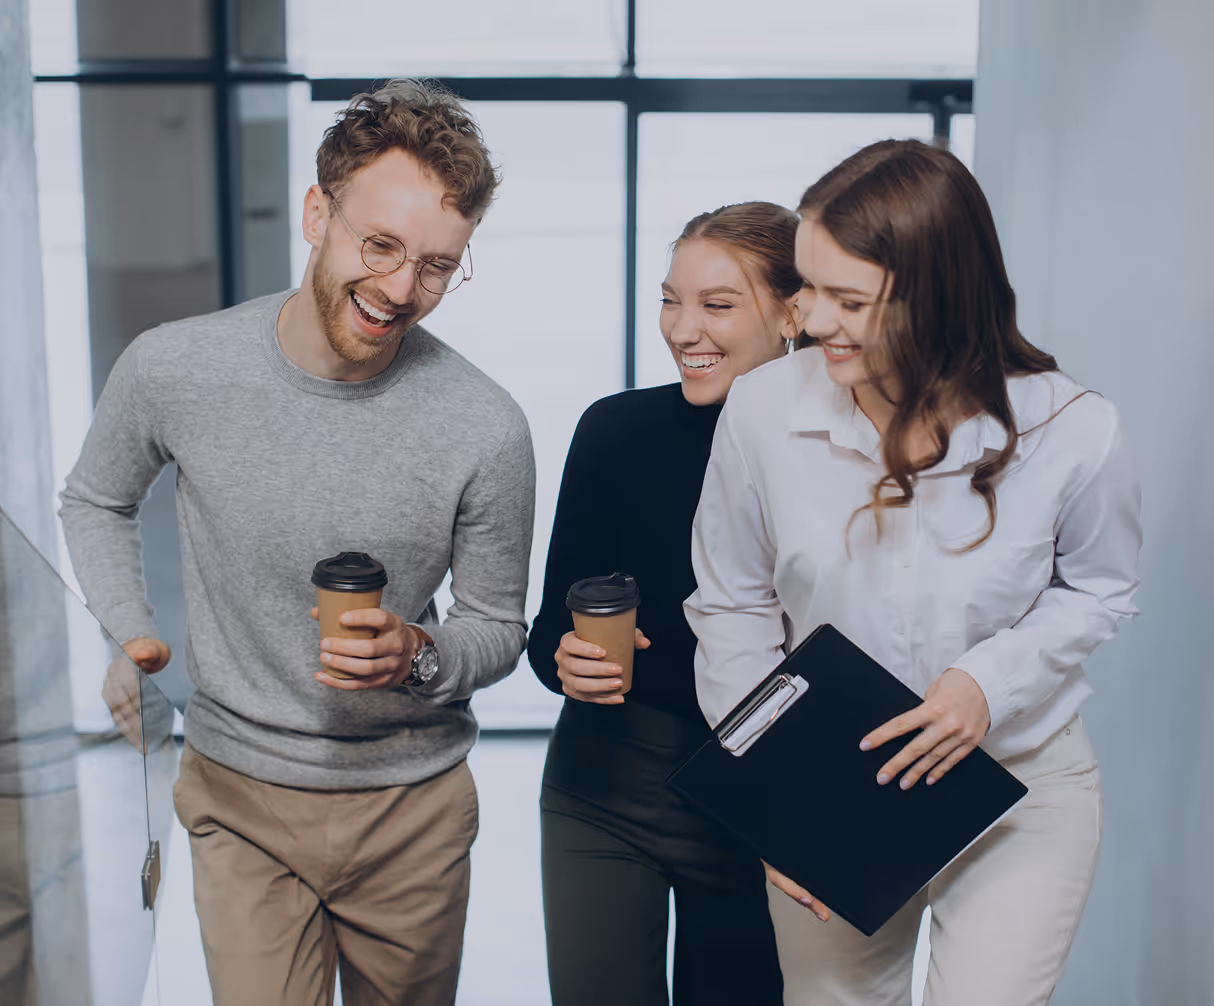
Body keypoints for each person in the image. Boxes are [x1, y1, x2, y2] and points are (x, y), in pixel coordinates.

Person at [60, 79, 535, 1006]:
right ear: (318, 213)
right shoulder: (175, 366)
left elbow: (496, 624)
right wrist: (130, 631)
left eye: (438, 265)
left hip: (414, 810)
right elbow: (94, 500)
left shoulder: (487, 425)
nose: (402, 290)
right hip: (239, 797)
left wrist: (421, 653)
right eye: (381, 245)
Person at [686, 140, 1141, 1006]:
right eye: (809, 287)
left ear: (939, 297)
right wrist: (772, 786)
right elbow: (732, 601)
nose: (815, 320)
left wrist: (985, 682)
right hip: (829, 788)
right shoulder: (762, 410)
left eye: (849, 300)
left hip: (1018, 786)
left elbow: (1099, 589)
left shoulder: (1076, 431)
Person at [528, 203, 799, 1006]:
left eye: (717, 305)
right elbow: (550, 632)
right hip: (605, 783)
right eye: (670, 299)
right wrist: (564, 662)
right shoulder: (615, 431)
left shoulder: (836, 454)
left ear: (794, 312)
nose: (684, 329)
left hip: (757, 796)